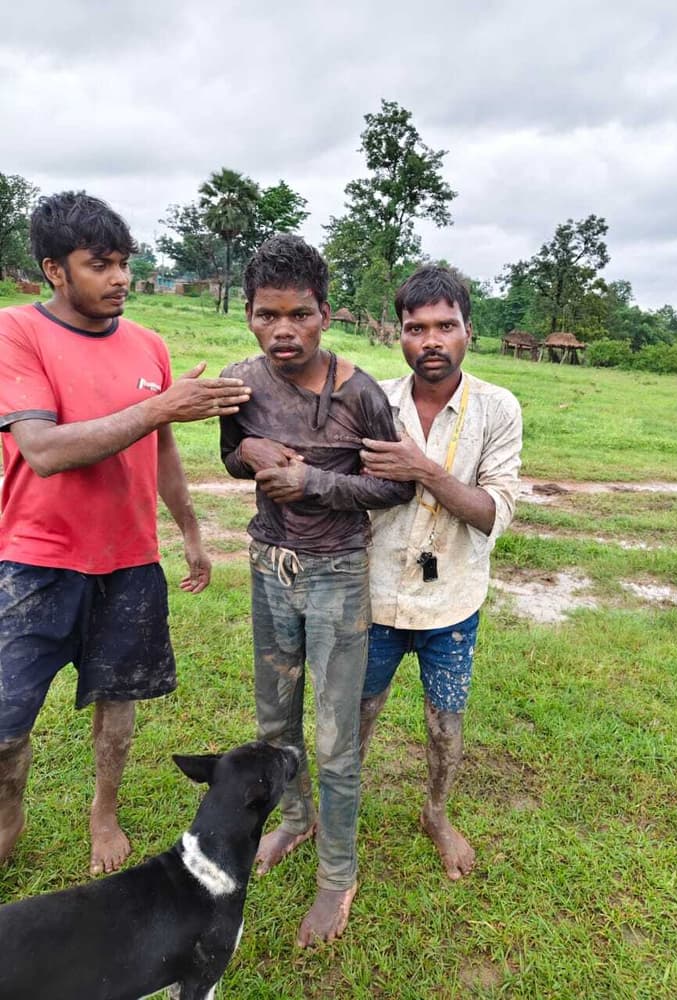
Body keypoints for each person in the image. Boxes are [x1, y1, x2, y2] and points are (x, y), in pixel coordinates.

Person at [0, 191, 250, 876]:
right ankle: (9, 811)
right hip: (34, 561)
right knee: (6, 719)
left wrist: (190, 531)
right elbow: (42, 450)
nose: (119, 279)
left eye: (124, 263)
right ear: (54, 270)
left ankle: (103, 811)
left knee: (119, 700)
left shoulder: (148, 345)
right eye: (99, 265)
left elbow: (160, 450)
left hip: (130, 560)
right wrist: (159, 407)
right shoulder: (16, 332)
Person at [219, 234, 414, 946]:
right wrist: (248, 450)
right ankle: (297, 820)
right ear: (248, 314)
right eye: (267, 315)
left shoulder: (361, 393)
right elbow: (230, 457)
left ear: (325, 315)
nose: (284, 330)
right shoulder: (241, 384)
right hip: (269, 567)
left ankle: (338, 875)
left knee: (335, 740)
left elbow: (395, 487)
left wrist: (314, 481)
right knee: (274, 723)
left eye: (299, 314)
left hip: (337, 576)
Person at [358, 265, 522, 880]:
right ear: (398, 334)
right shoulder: (373, 401)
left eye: (445, 326)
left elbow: (492, 512)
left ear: (468, 330)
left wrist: (421, 468)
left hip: (452, 600)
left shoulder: (497, 409)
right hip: (372, 595)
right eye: (416, 327)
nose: (431, 340)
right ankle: (337, 808)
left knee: (445, 723)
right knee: (356, 715)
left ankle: (436, 811)